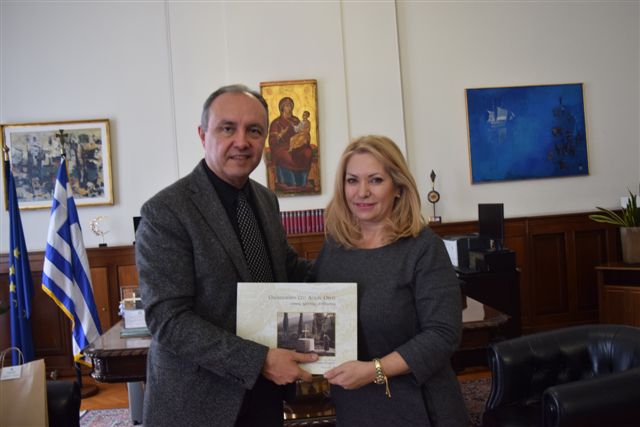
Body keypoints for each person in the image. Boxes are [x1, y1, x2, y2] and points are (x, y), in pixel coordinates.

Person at [135, 84, 317, 427]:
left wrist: (352, 260)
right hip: (199, 404)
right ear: (203, 135)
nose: (242, 141)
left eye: (254, 131)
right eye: (228, 128)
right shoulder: (166, 211)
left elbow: (287, 268)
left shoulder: (266, 199)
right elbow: (168, 320)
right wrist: (259, 360)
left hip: (265, 393)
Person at [308, 135, 469, 426]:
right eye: (352, 180)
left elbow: (443, 335)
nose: (362, 192)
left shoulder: (423, 247)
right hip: (354, 405)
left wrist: (374, 371)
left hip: (419, 406)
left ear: (398, 187)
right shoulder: (335, 246)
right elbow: (315, 310)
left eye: (376, 180)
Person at [268, 97, 313, 189]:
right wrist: (281, 134)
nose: (289, 108)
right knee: (287, 155)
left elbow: (301, 131)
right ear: (282, 108)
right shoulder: (276, 122)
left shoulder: (296, 120)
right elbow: (272, 140)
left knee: (307, 152)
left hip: (296, 144)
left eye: (290, 106)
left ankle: (302, 182)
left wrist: (305, 137)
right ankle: (290, 182)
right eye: (287, 106)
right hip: (281, 147)